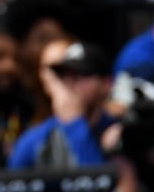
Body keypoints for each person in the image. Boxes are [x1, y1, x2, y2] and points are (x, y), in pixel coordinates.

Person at [11, 41, 118, 169]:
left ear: (107, 84)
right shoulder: (35, 141)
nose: (70, 83)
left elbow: (100, 184)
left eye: (81, 75)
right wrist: (74, 123)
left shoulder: (118, 133)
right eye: (65, 75)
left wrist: (75, 125)